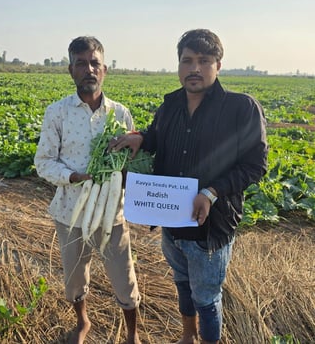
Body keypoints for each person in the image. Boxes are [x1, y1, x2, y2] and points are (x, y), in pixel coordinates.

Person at [109, 29, 268, 344]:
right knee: (182, 283)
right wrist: (142, 138)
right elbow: (157, 137)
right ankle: (187, 336)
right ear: (179, 64)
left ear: (217, 65)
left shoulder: (241, 108)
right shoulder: (170, 105)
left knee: (207, 297)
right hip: (172, 221)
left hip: (210, 227)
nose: (195, 68)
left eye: (204, 61)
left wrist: (211, 192)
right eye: (187, 60)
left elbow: (254, 166)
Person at [34, 36, 141, 344]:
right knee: (74, 278)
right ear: (71, 70)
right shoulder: (57, 113)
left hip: (112, 213)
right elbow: (43, 162)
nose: (89, 69)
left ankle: (132, 334)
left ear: (104, 69)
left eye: (95, 63)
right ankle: (83, 322)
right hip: (71, 210)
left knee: (124, 278)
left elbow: (130, 162)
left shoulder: (120, 114)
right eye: (81, 63)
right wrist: (75, 176)